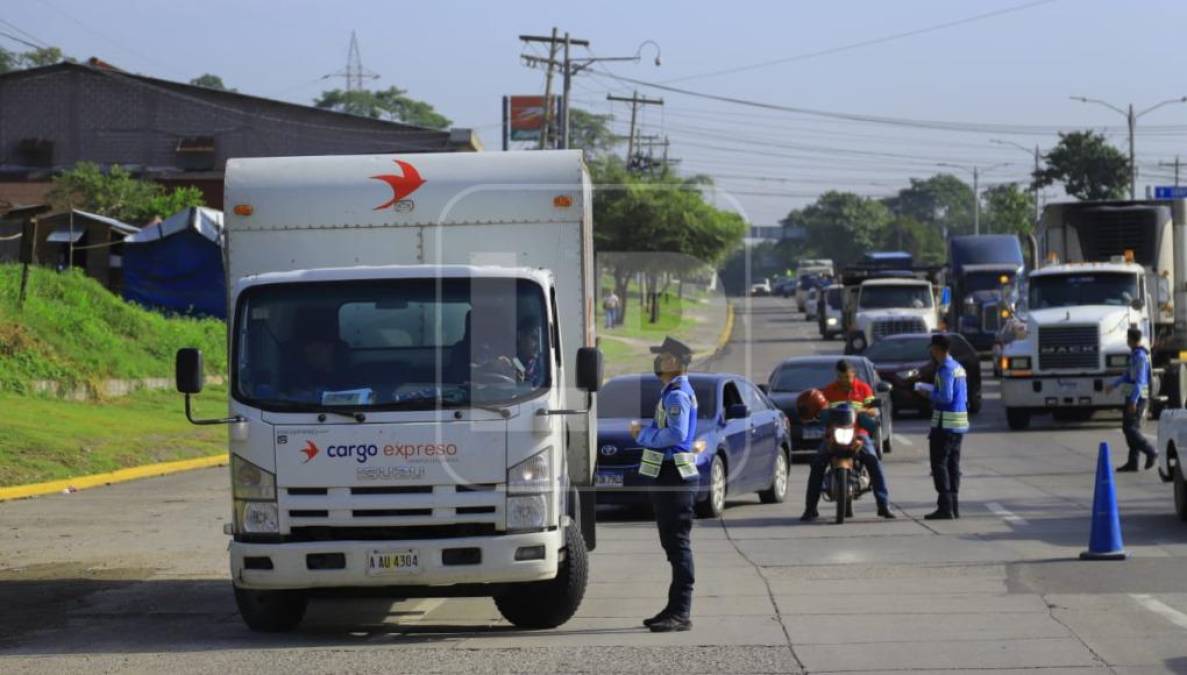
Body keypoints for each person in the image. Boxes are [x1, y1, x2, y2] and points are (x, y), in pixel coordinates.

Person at [630, 336, 699, 633]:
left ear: (678, 363)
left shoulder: (677, 396)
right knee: (672, 545)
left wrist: (642, 436)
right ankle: (673, 608)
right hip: (668, 473)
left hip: (674, 475)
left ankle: (681, 612)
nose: (659, 362)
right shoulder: (672, 392)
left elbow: (675, 434)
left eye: (665, 357)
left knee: (678, 544)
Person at [800, 360, 896, 522]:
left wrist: (864, 410)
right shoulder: (829, 390)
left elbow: (874, 409)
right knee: (817, 464)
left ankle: (883, 505)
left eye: (847, 377)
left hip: (859, 434)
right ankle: (810, 509)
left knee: (873, 461)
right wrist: (819, 411)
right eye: (840, 377)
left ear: (853, 375)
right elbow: (821, 409)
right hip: (834, 434)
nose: (844, 380)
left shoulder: (863, 388)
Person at [922, 334, 969, 520]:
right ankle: (954, 506)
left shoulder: (945, 369)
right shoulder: (958, 367)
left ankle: (945, 507)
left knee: (939, 465)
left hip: (945, 425)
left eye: (932, 349)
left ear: (938, 349)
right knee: (953, 466)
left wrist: (927, 393)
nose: (931, 352)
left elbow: (946, 397)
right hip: (958, 424)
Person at [1106, 327, 1158, 472]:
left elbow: (1140, 381)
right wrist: (1113, 385)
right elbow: (1128, 375)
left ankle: (1150, 451)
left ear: (1131, 339)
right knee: (1130, 427)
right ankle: (1133, 462)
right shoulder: (1134, 354)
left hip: (1138, 395)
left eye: (1127, 338)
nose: (1126, 340)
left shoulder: (1140, 356)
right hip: (1131, 393)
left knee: (1129, 428)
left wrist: (1134, 401)